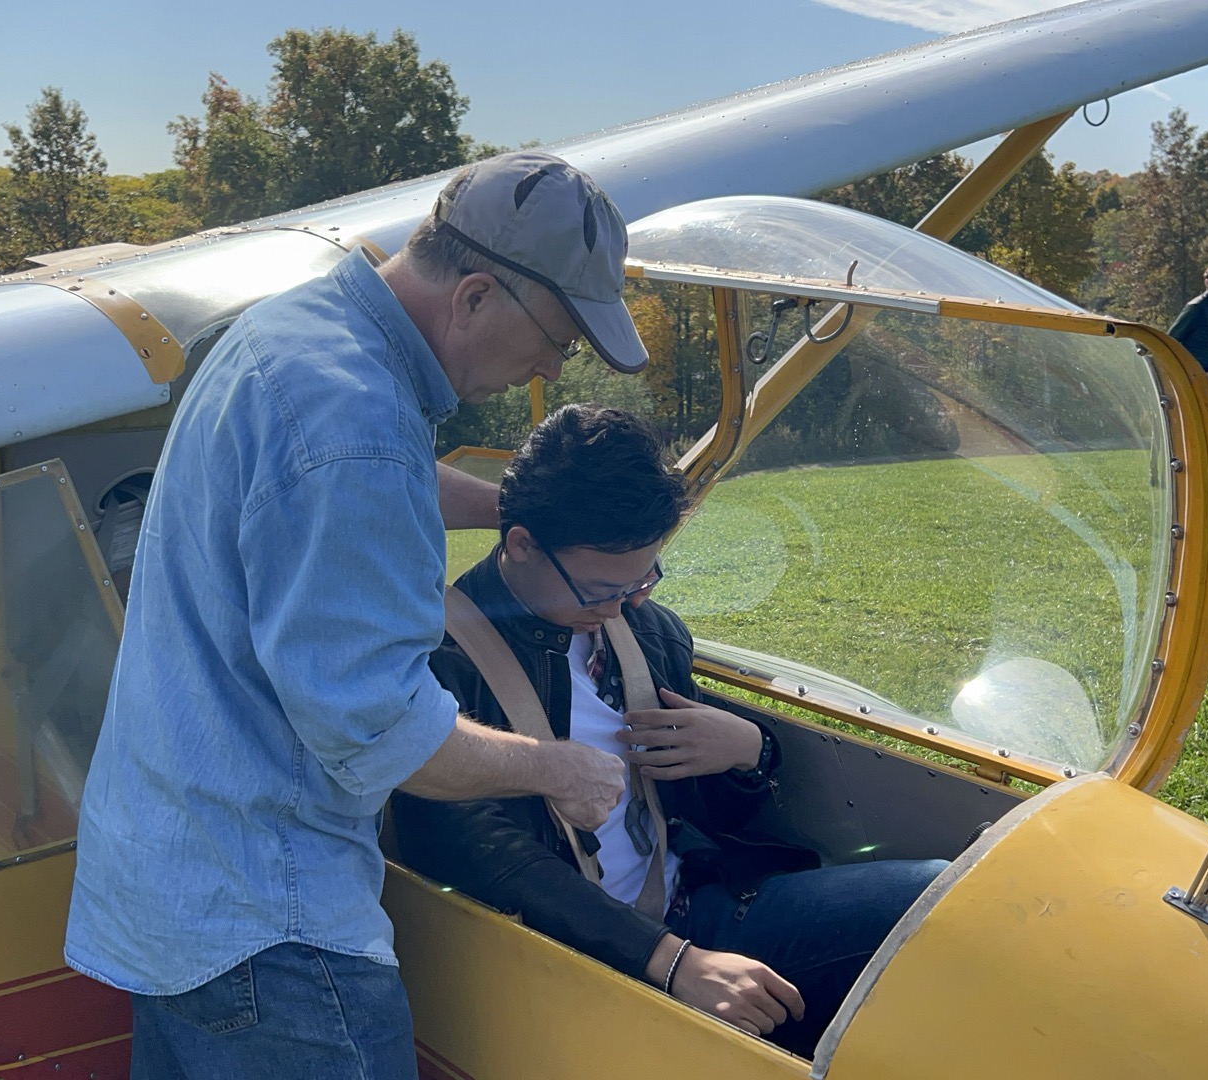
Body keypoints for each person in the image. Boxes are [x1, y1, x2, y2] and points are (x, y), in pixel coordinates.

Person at [65, 152, 650, 1078]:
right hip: (272, 931)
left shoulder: (296, 334)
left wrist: (517, 510)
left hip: (172, 886)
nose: (551, 365)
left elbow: (354, 478)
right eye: (559, 337)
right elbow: (382, 736)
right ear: (475, 297)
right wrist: (557, 768)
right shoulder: (356, 429)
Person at [393, 404, 951, 1059]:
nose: (627, 604)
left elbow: (716, 814)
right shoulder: (438, 661)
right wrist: (670, 961)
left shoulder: (646, 630)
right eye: (599, 588)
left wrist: (749, 752)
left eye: (643, 577)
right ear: (521, 544)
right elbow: (473, 852)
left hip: (701, 906)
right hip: (569, 966)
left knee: (942, 898)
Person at [1167, 265, 1208, 434]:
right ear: (1207, 282)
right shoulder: (1195, 307)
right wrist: (1187, 371)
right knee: (1189, 424)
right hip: (1189, 377)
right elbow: (1171, 339)